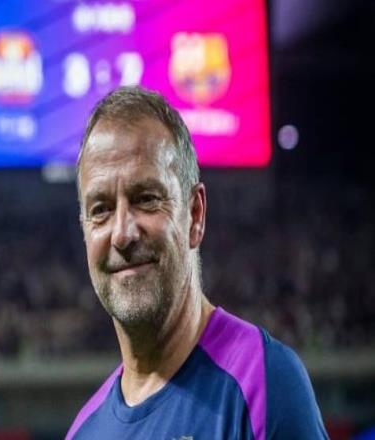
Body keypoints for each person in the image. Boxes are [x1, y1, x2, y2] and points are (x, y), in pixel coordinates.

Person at [66, 86, 328, 439]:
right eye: (101, 210)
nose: (122, 234)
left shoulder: (264, 383)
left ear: (195, 214)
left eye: (146, 199)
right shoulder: (83, 432)